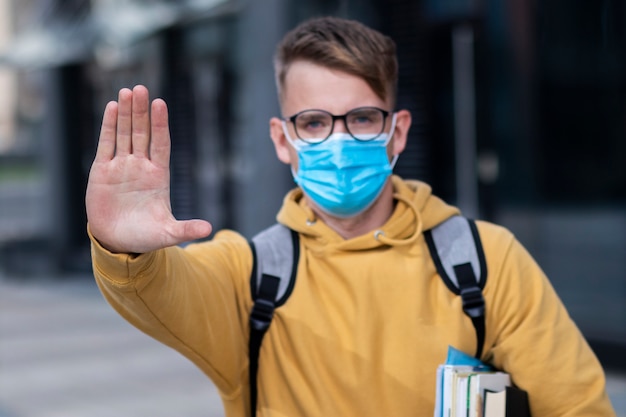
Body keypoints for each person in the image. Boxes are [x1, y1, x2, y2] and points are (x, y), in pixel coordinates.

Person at [86, 16, 616, 417]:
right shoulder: (247, 276)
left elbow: (577, 407)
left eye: (362, 117)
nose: (339, 139)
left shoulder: (483, 260)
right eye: (314, 122)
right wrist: (126, 250)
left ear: (398, 131)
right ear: (282, 139)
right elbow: (159, 289)